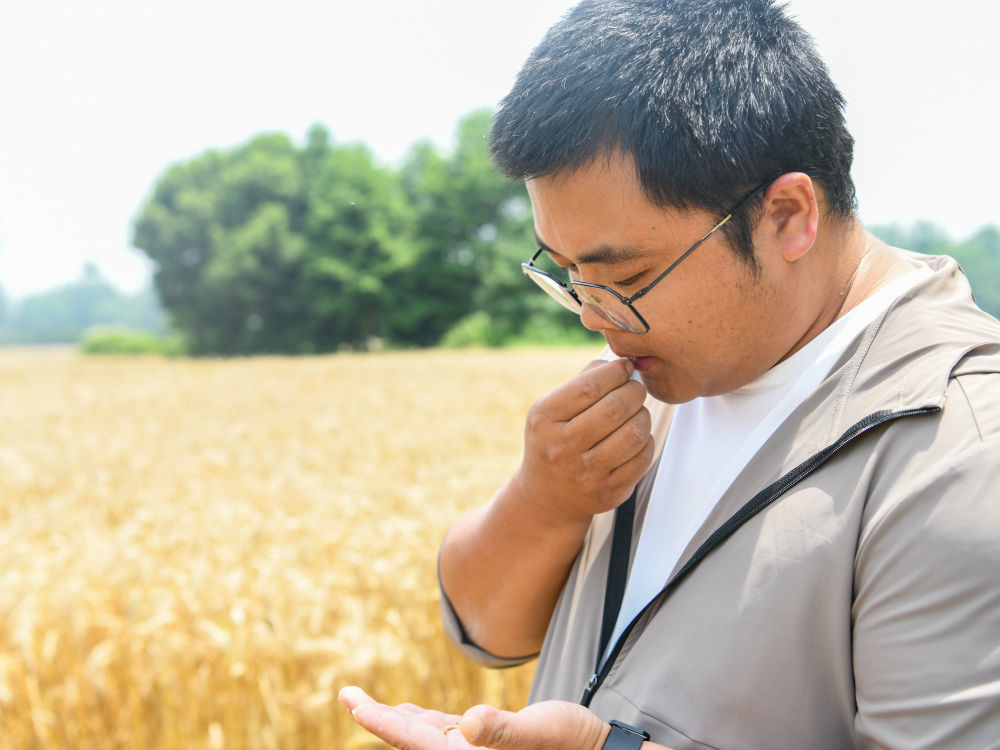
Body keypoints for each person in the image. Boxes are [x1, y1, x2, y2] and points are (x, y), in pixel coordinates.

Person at [340, 0, 1000, 747]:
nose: (591, 315)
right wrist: (543, 500)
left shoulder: (959, 449)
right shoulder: (657, 363)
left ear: (788, 215)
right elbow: (486, 630)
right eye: (566, 273)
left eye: (626, 274)